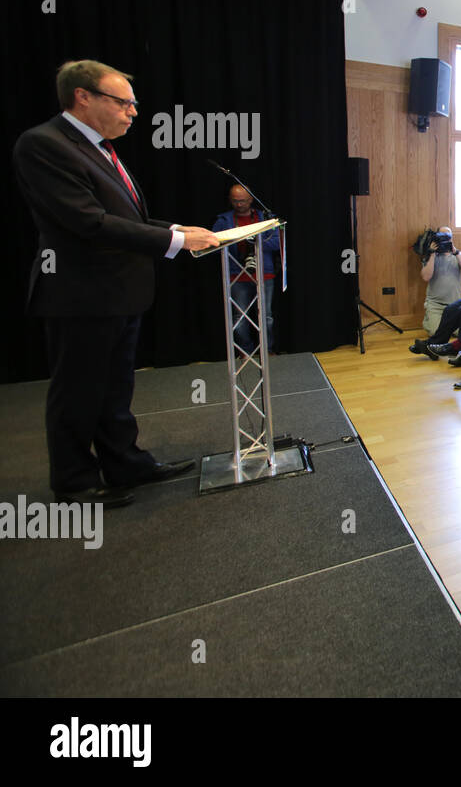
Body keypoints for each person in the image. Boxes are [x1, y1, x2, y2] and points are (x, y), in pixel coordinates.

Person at [12, 59, 219, 507]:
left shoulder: (101, 148)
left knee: (114, 387)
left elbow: (130, 220)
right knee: (78, 391)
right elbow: (88, 223)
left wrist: (176, 228)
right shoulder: (44, 145)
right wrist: (175, 239)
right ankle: (74, 482)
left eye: (133, 104)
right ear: (83, 97)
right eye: (123, 102)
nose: (133, 112)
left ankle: (125, 462)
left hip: (120, 291)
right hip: (80, 293)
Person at [213, 183, 281, 355]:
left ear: (251, 199)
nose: (239, 204)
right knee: (240, 318)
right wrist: (236, 239)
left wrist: (254, 240)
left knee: (266, 316)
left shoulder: (266, 218)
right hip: (237, 275)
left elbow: (276, 242)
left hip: (263, 273)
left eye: (243, 201)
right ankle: (246, 351)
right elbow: (214, 243)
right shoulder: (224, 221)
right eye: (235, 201)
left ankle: (267, 350)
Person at [418, 225, 461, 337]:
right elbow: (426, 277)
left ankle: (448, 327)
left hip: (454, 303)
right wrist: (432, 254)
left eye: (448, 236)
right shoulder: (430, 255)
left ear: (452, 238)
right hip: (435, 304)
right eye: (442, 236)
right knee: (435, 333)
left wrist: (455, 251)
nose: (445, 239)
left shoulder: (457, 255)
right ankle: (434, 323)